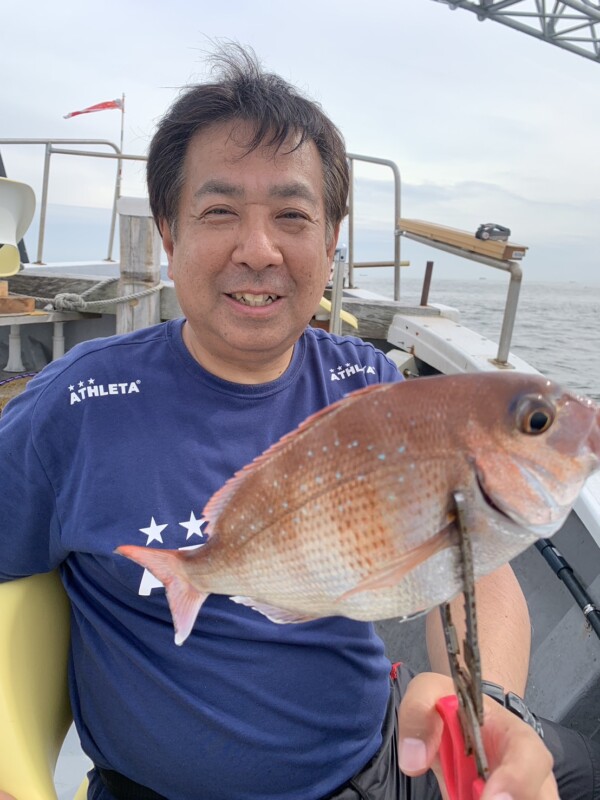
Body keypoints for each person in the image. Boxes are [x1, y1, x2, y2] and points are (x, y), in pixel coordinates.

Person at [0, 45, 597, 800]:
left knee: (575, 766)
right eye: (219, 212)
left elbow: (473, 572)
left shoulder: (374, 388)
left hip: (383, 761)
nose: (259, 250)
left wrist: (486, 704)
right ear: (169, 233)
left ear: (331, 238)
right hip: (156, 790)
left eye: (292, 215)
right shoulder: (70, 409)